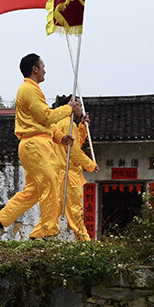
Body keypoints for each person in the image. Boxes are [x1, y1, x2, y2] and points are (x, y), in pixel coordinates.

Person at [0, 55, 80, 241]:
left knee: (34, 191)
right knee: (51, 183)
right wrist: (68, 108)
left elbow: (42, 121)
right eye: (43, 66)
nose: (45, 69)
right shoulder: (29, 89)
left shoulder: (33, 90)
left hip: (36, 143)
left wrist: (60, 137)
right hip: (36, 145)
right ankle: (46, 230)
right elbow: (45, 117)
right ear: (35, 69)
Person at [53, 102, 98, 241]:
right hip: (68, 173)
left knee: (53, 209)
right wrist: (90, 164)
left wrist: (83, 127)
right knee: (74, 211)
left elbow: (76, 143)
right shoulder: (67, 124)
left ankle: (40, 236)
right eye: (78, 104)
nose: (81, 108)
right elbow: (73, 151)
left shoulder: (64, 123)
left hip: (60, 172)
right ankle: (84, 240)